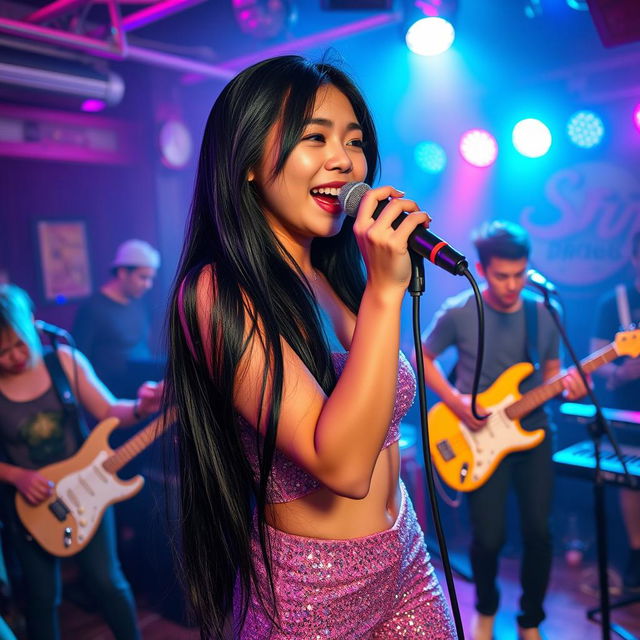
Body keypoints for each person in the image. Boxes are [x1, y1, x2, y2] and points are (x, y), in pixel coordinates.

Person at [165, 55, 456, 639]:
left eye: (354, 141)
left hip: (404, 563)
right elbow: (343, 466)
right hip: (313, 597)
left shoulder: (336, 275)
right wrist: (385, 292)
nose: (344, 160)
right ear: (247, 160)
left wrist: (376, 289)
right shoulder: (216, 290)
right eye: (314, 137)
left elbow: (380, 425)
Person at [419, 221, 587, 640]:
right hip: (473, 434)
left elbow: (551, 374)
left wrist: (571, 388)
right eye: (501, 275)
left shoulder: (545, 311)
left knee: (538, 532)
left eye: (519, 274)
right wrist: (457, 403)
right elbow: (421, 355)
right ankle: (487, 610)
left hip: (533, 433)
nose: (512, 284)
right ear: (481, 268)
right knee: (489, 537)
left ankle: (531, 620)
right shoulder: (460, 311)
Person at [0, 283, 163, 640]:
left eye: (18, 343)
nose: (14, 356)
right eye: (2, 352)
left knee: (108, 582)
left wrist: (141, 407)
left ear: (31, 322)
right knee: (42, 597)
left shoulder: (63, 361)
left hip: (90, 489)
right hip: (30, 502)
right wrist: (17, 477)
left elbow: (107, 410)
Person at [591, 229, 640, 591]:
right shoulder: (615, 302)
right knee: (630, 484)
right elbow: (595, 359)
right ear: (634, 259)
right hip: (627, 407)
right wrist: (621, 370)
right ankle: (634, 558)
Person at [72, 239, 161, 397]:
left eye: (151, 279)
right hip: (111, 398)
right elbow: (79, 359)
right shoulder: (93, 308)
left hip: (142, 392)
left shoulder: (140, 303)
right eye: (143, 277)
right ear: (122, 272)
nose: (148, 285)